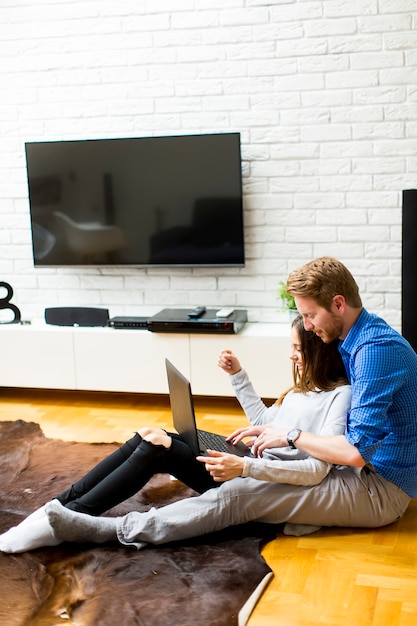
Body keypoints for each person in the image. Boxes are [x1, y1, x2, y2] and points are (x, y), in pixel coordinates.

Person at [41, 257, 417, 550]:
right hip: (355, 470)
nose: (308, 325)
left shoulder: (373, 351)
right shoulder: (358, 340)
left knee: (241, 493)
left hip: (376, 486)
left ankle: (113, 531)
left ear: (338, 303)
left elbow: (353, 450)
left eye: (310, 315)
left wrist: (290, 435)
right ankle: (72, 504)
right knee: (215, 466)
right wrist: (278, 434)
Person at [0, 314, 350, 553]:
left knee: (158, 446)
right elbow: (265, 419)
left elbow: (317, 466)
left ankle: (69, 518)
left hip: (256, 481)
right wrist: (238, 375)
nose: (292, 355)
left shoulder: (339, 396)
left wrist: (244, 466)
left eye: (298, 349)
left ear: (321, 350)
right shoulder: (304, 387)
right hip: (247, 463)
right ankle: (59, 504)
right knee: (151, 433)